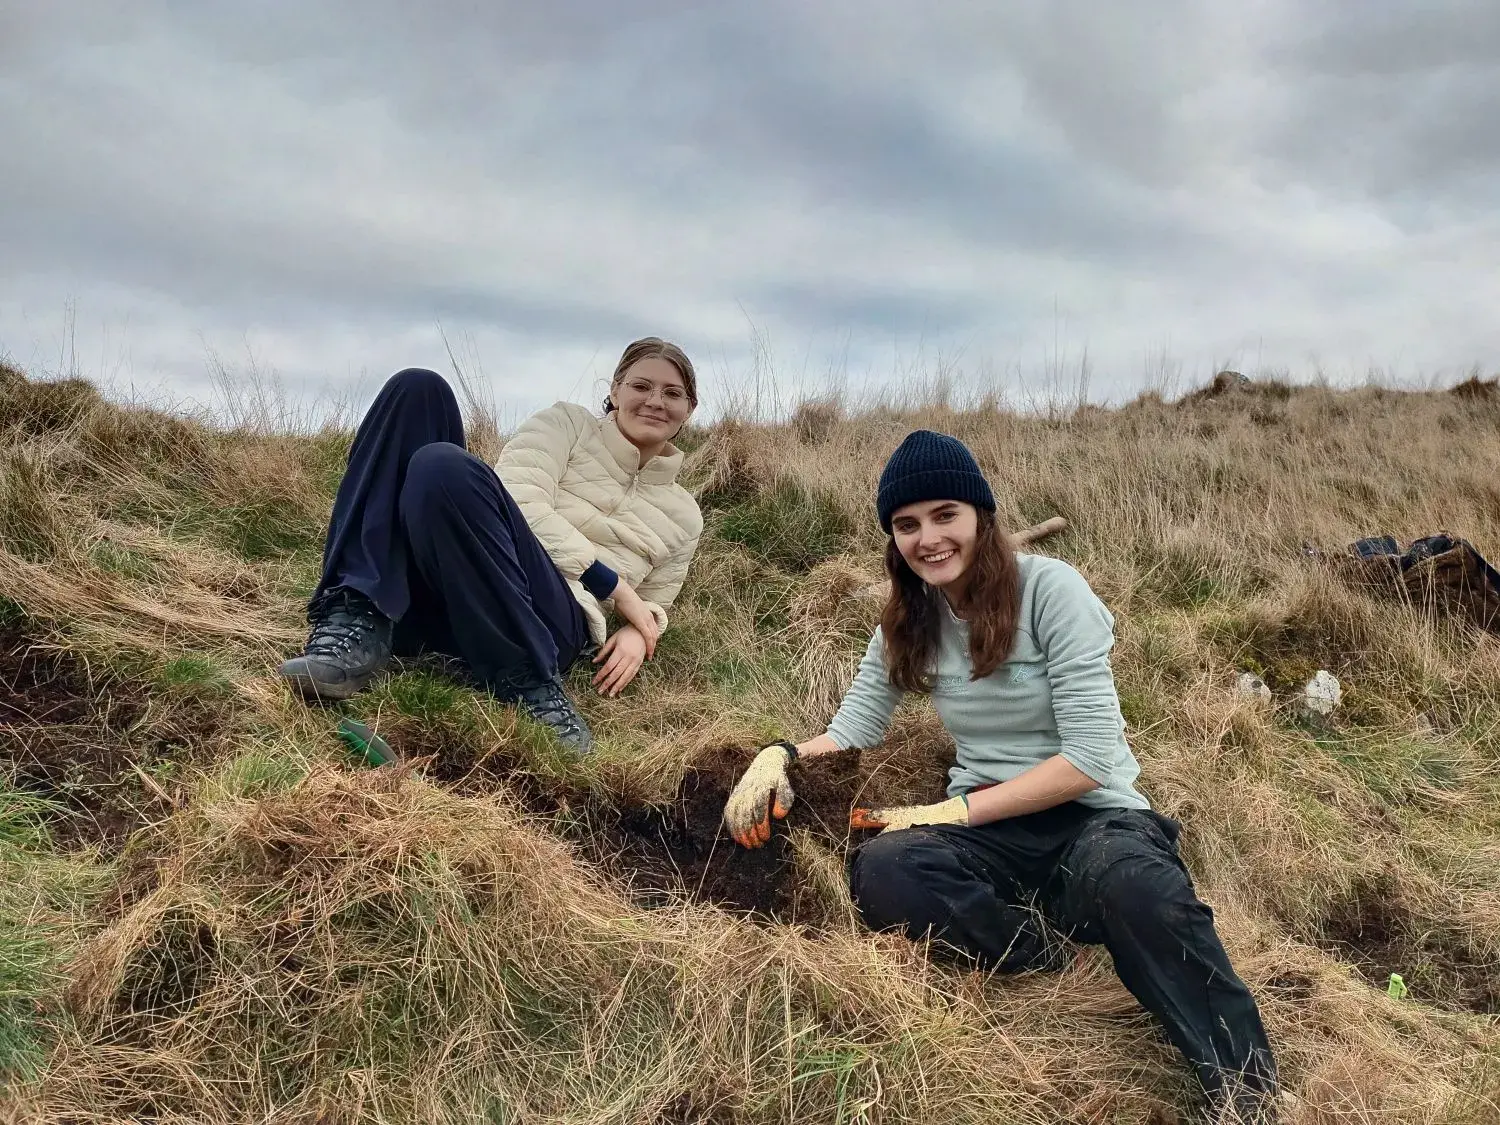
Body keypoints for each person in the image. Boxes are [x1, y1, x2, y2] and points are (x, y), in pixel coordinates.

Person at [722, 430, 1280, 1120]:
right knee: (887, 868)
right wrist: (778, 755)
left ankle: (1247, 1092)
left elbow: (1090, 760)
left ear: (980, 516)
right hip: (992, 832)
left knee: (1138, 886)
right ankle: (1045, 955)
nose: (928, 538)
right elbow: (851, 731)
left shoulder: (1051, 590)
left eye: (944, 514)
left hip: (1096, 818)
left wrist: (952, 812)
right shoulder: (908, 621)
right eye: (907, 524)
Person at [279, 337, 704, 753]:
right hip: (462, 582)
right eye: (641, 386)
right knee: (419, 392)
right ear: (615, 390)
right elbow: (520, 499)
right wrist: (612, 584)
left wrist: (636, 632)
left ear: (689, 409)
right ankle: (360, 616)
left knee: (439, 463)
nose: (655, 401)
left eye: (672, 393)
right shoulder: (566, 425)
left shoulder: (684, 515)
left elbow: (655, 600)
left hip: (549, 624)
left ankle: (527, 679)